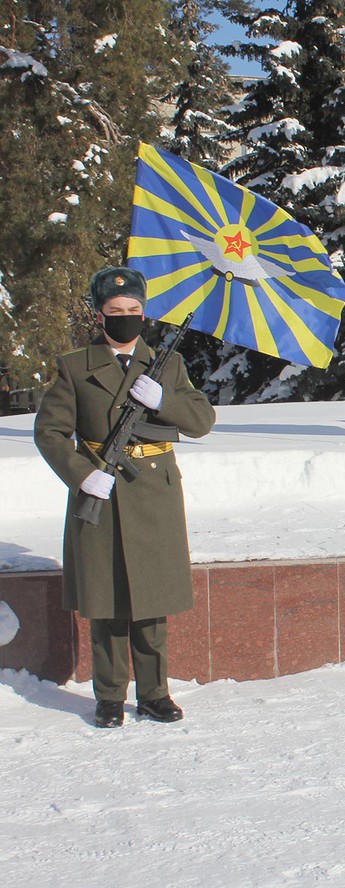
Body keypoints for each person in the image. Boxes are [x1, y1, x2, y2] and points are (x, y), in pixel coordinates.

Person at [34, 266, 216, 727]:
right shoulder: (75, 366)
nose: (125, 317)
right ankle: (110, 697)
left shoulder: (166, 364)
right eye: (115, 310)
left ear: (144, 313)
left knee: (151, 603)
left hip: (153, 494)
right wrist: (82, 475)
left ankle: (155, 694)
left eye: (133, 309)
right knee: (107, 602)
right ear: (100, 316)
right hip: (101, 488)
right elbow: (50, 432)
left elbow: (201, 421)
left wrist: (163, 400)